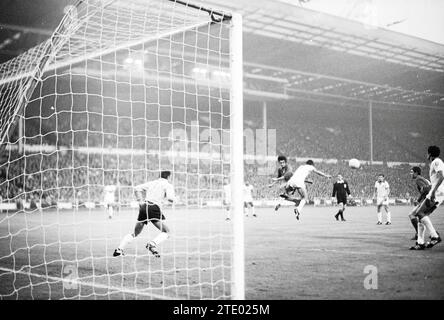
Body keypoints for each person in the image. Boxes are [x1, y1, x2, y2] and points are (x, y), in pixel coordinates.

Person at [113, 171, 175, 258]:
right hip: (153, 208)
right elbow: (170, 199)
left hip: (144, 206)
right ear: (168, 177)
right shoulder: (168, 185)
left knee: (135, 233)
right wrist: (174, 199)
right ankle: (152, 245)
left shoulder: (153, 183)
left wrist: (140, 201)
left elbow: (136, 188)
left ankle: (119, 250)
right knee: (167, 232)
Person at [410, 146, 443, 250]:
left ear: (430, 154)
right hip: (437, 193)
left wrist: (433, 192)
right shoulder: (436, 162)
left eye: (427, 153)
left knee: (419, 213)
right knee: (421, 217)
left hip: (437, 193)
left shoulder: (436, 162)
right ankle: (420, 243)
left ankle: (435, 236)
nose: (426, 155)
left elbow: (442, 176)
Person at [408, 166, 431, 240]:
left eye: (412, 172)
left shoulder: (418, 179)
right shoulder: (422, 179)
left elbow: (426, 189)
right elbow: (427, 188)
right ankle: (428, 234)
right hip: (429, 199)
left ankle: (421, 234)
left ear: (416, 172)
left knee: (412, 215)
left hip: (427, 200)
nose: (410, 174)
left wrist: (418, 200)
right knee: (420, 217)